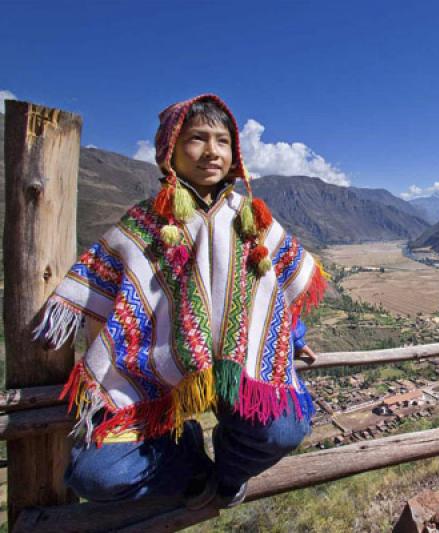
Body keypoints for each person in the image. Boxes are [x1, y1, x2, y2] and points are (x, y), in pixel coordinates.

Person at [34, 94, 327, 509]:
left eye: (223, 141)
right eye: (197, 138)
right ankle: (188, 461)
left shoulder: (253, 219)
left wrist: (293, 336)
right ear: (169, 148)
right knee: (95, 475)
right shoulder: (141, 225)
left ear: (235, 152)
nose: (212, 151)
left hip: (238, 368)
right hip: (158, 375)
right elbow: (99, 294)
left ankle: (228, 473)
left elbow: (274, 287)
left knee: (284, 429)